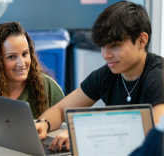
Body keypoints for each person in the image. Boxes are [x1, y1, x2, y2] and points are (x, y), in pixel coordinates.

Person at [35, 1, 164, 151]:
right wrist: (43, 123)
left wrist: (85, 135)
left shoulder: (158, 76)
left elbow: (156, 134)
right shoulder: (106, 75)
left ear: (142, 40)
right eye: (103, 46)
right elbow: (60, 110)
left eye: (115, 45)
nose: (106, 54)